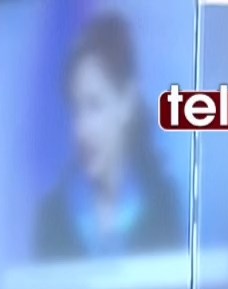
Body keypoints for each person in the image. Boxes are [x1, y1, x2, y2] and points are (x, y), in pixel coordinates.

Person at [31, 12, 185, 261]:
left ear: (126, 103)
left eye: (94, 106)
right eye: (76, 109)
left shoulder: (163, 206)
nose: (81, 129)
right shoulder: (52, 218)